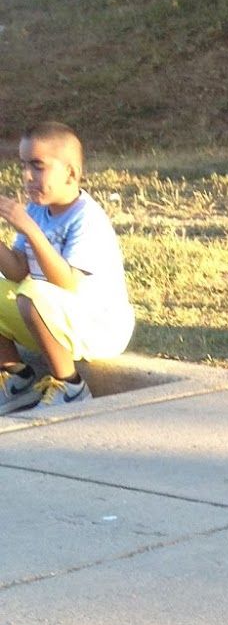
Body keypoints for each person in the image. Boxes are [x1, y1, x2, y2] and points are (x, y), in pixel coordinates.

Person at [0, 122, 135, 416]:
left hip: (100, 328)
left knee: (32, 293)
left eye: (37, 166)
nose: (26, 176)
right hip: (53, 317)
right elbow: (17, 271)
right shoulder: (37, 209)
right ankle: (16, 379)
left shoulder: (87, 218)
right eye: (23, 166)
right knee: (21, 290)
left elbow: (66, 283)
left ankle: (71, 386)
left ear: (71, 173)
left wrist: (31, 230)